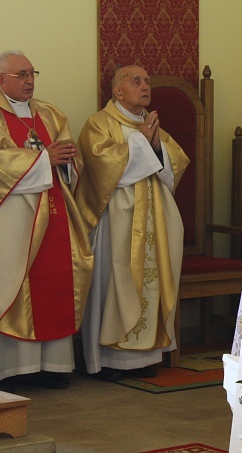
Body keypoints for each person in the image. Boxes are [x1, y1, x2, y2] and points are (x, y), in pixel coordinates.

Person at [0, 50, 94, 389]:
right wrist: (44, 158)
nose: (29, 80)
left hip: (53, 214)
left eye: (32, 73)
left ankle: (51, 366)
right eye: (21, 74)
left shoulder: (49, 112)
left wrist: (66, 161)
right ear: (0, 79)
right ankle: (2, 371)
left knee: (56, 280)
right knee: (8, 284)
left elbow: (71, 161)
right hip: (7, 222)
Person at [75, 64, 189, 381]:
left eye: (147, 81)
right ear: (117, 90)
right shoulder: (99, 124)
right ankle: (110, 359)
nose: (145, 85)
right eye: (136, 81)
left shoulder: (151, 125)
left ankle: (143, 357)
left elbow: (176, 163)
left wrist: (154, 144)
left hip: (154, 218)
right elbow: (101, 165)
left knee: (152, 282)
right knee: (116, 279)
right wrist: (142, 142)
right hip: (116, 220)